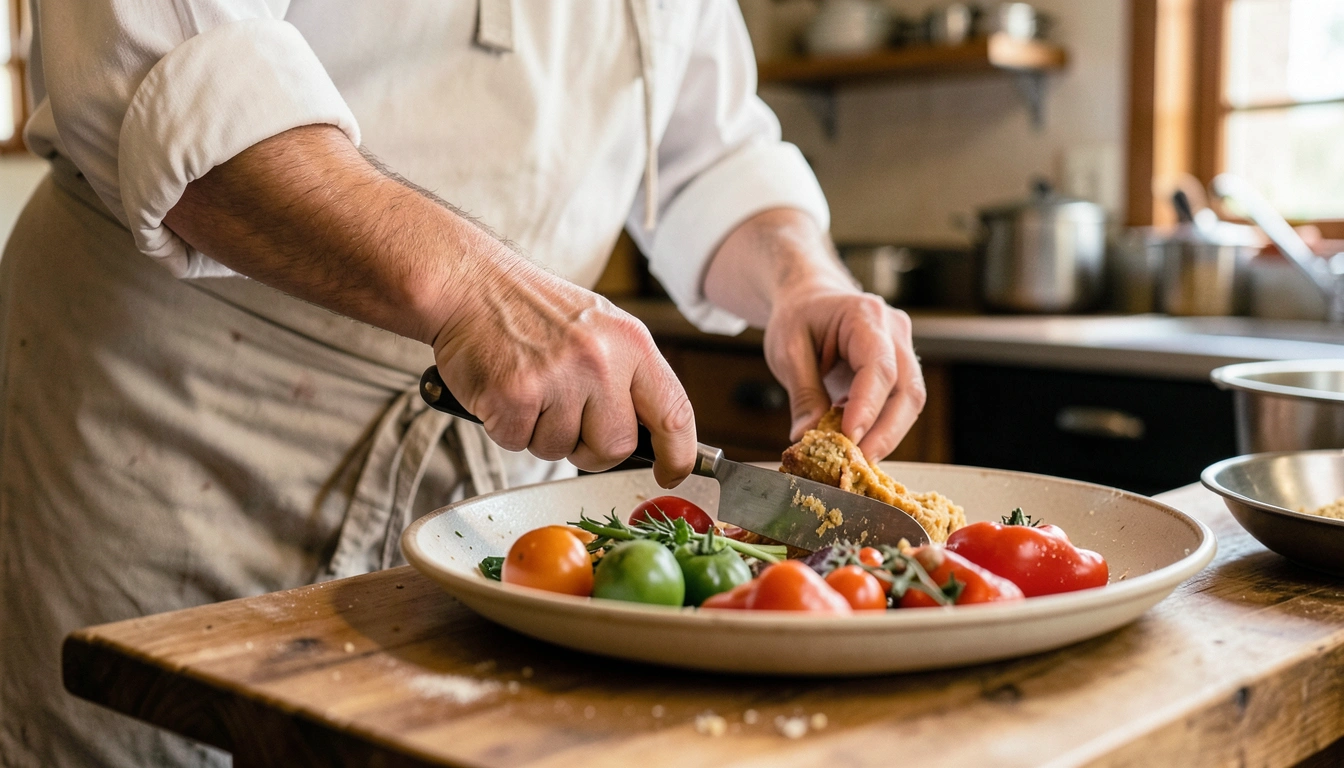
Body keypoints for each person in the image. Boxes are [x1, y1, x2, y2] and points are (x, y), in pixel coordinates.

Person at [0, 1, 925, 765]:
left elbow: (705, 157)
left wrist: (802, 278)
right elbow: (160, 67)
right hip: (183, 421)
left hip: (495, 476)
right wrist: (481, 292)